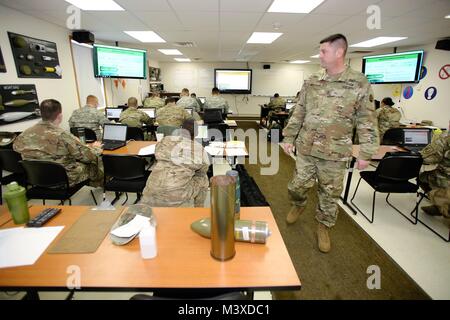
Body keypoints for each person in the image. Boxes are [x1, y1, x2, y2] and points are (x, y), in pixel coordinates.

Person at [282, 34, 379, 253]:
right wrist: (289, 137)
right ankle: (299, 204)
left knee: (329, 194)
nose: (320, 55)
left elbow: (367, 119)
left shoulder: (358, 82)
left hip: (335, 153)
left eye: (323, 51)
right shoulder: (312, 80)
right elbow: (300, 110)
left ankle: (323, 226)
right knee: (296, 186)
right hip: (307, 148)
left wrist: (366, 152)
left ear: (339, 52)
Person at [14, 99, 103, 187]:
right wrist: (96, 148)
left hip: (37, 178)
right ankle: (101, 189)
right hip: (65, 179)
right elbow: (88, 157)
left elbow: (18, 149)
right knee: (97, 161)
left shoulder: (23, 134)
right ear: (60, 116)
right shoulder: (63, 135)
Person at [141, 119, 210, 207]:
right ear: (196, 133)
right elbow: (203, 169)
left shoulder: (165, 140)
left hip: (151, 188)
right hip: (175, 195)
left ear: (181, 129)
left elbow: (157, 154)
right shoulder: (199, 148)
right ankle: (198, 210)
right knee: (203, 178)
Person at [419, 132, 450, 218]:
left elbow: (428, 159)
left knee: (422, 177)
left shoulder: (445, 138)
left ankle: (442, 206)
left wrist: (418, 153)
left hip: (446, 179)